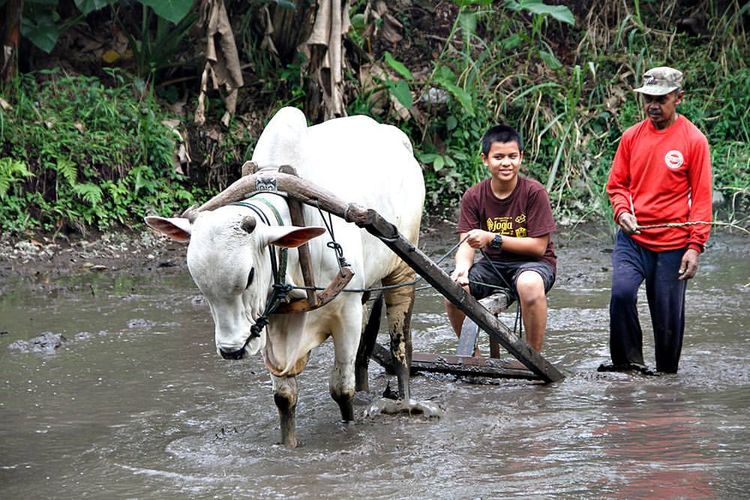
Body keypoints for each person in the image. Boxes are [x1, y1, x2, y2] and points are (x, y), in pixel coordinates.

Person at [603, 66, 712, 374]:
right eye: (648, 98)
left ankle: (666, 381)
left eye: (660, 98)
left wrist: (695, 246)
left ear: (678, 98)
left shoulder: (694, 140)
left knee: (667, 320)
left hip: (674, 243)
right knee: (622, 293)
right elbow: (617, 185)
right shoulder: (631, 137)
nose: (652, 105)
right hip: (633, 239)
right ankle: (627, 365)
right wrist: (622, 211)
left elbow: (702, 198)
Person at [445, 125, 557, 353]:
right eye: (499, 157)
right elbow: (467, 242)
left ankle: (532, 358)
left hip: (533, 265)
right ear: (485, 160)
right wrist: (462, 269)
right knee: (453, 288)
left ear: (520, 158)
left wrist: (492, 238)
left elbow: (538, 247)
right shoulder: (474, 195)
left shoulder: (534, 192)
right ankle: (472, 356)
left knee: (529, 284)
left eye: (512, 156)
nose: (506, 163)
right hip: (492, 267)